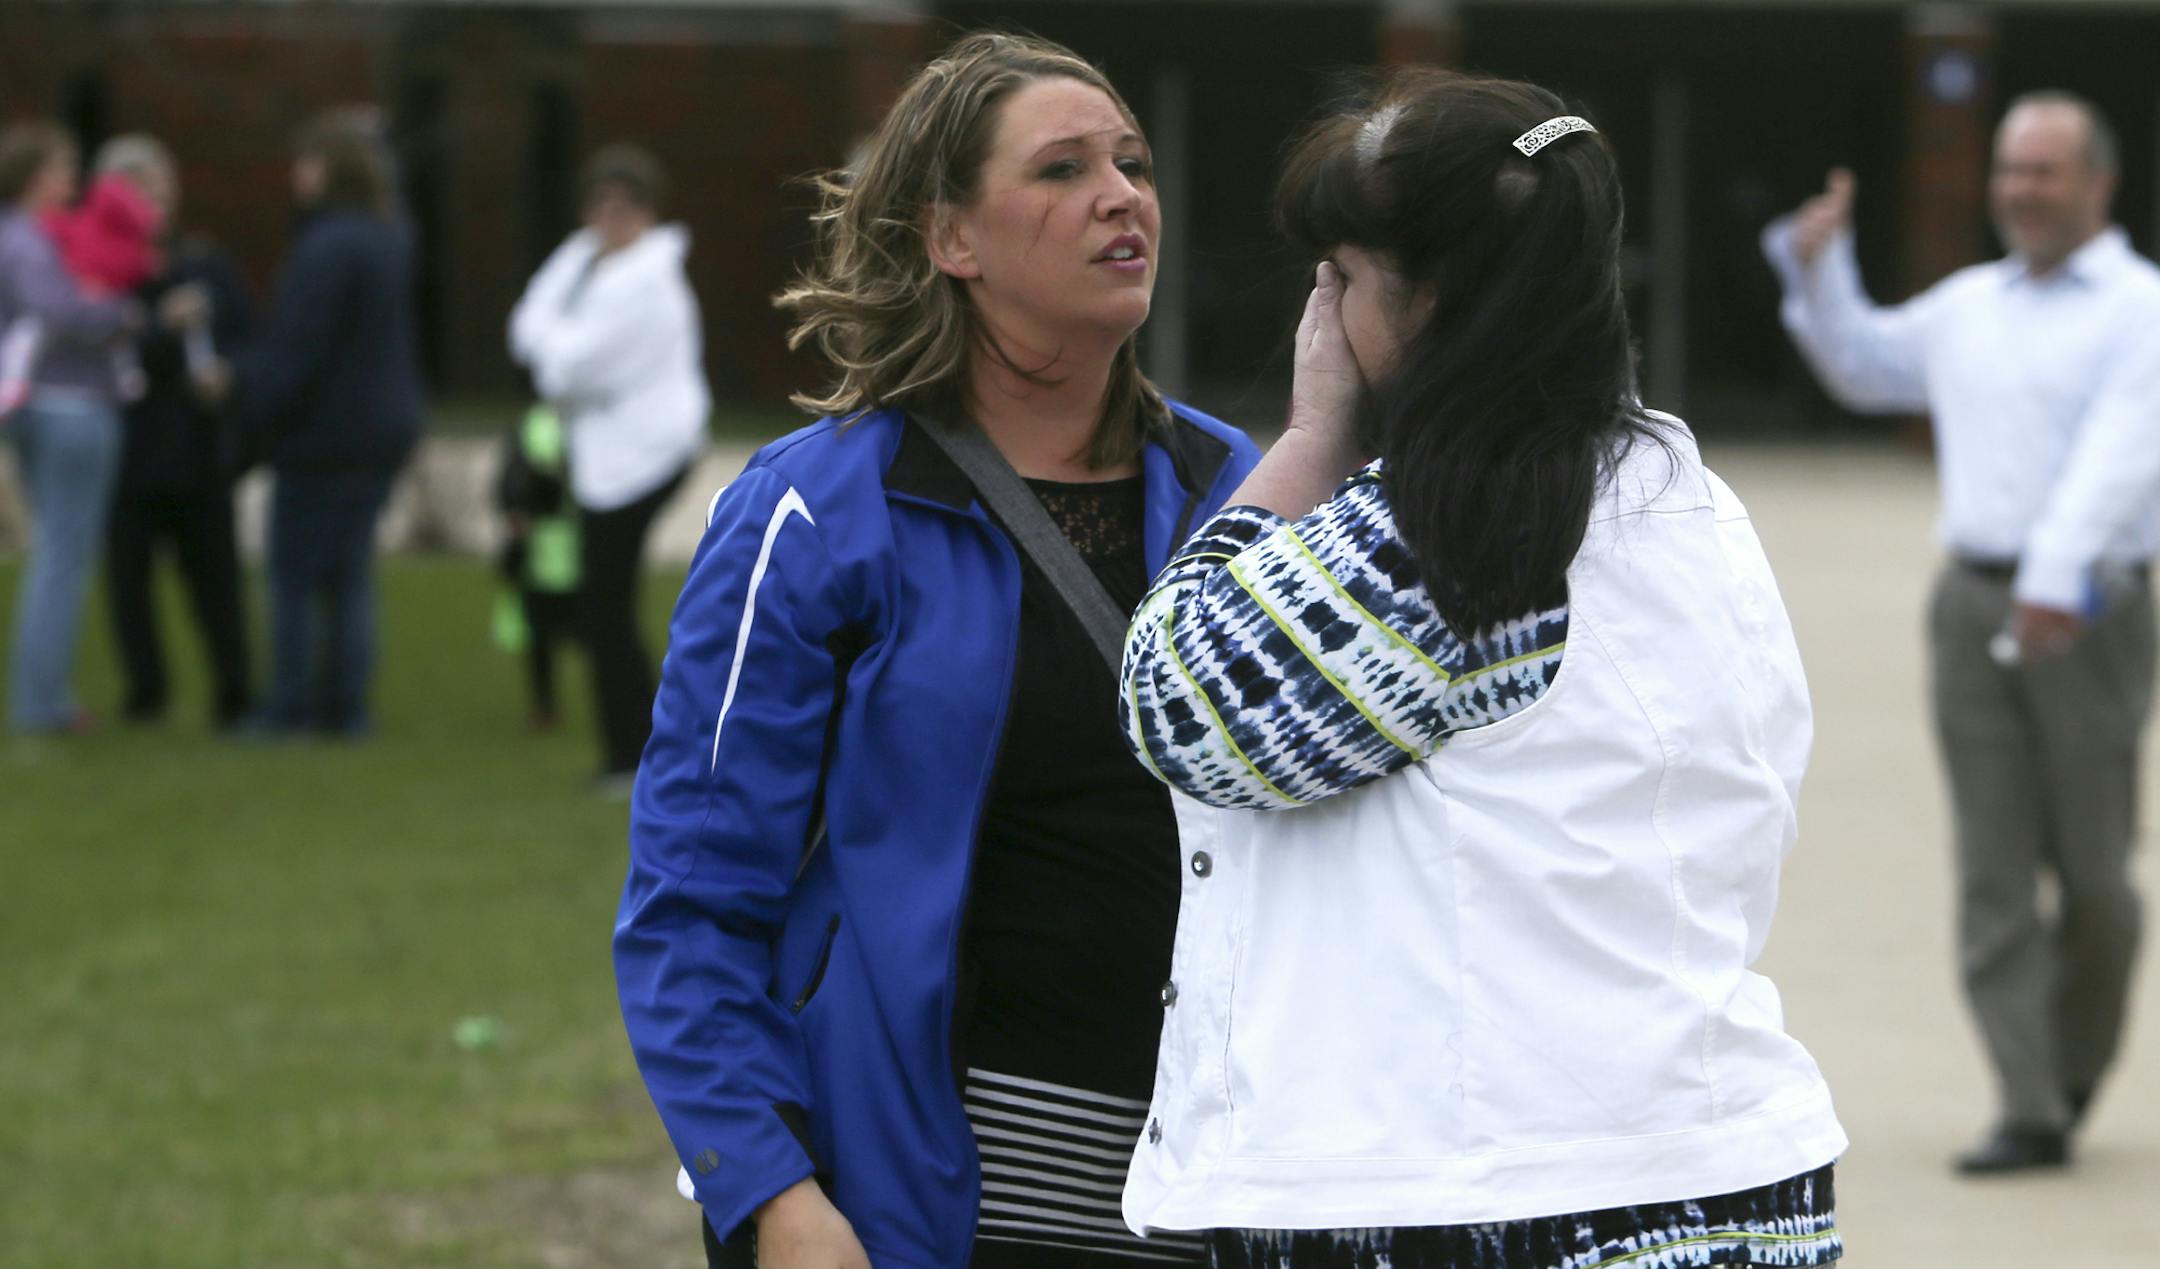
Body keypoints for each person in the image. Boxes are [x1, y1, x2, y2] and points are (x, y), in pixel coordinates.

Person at [1118, 71, 1846, 1268]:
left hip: (1481, 1197)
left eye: (1343, 278)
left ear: (1430, 299)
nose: (1322, 313)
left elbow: (1178, 697)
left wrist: (1309, 438)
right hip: (1723, 1174)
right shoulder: (1687, 500)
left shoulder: (1450, 535)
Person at [612, 32, 1258, 1269]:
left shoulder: (1246, 495)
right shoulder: (817, 513)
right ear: (949, 239)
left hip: (1214, 1198)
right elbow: (693, 903)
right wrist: (775, 1201)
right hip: (934, 1213)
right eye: (1063, 170)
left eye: (1132, 162)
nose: (1122, 195)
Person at [1763, 91, 2160, 1175]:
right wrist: (1818, 267)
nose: (2022, 191)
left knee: (2094, 880)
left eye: (2045, 171)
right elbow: (1865, 366)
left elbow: (2123, 456)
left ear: (2097, 184)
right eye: (2010, 170)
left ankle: (2072, 1065)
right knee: (1993, 871)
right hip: (1970, 603)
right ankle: (2028, 1104)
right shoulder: (1970, 304)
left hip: (2093, 609)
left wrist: (2056, 578)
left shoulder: (2140, 309)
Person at [209, 107, 424, 737]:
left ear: (328, 170)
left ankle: (291, 707)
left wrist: (239, 382)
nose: (296, 174)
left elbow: (298, 354)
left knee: (295, 578)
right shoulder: (389, 237)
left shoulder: (327, 247)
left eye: (307, 162)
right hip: (382, 427)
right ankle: (346, 709)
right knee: (351, 575)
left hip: (326, 435)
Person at [508, 144, 707, 788]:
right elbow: (524, 328)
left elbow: (562, 371)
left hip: (641, 459)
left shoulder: (647, 281)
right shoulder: (585, 261)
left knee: (605, 609)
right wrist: (554, 337)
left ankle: (637, 757)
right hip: (611, 456)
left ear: (649, 212)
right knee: (605, 607)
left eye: (626, 207)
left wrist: (552, 345)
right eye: (600, 204)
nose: (611, 219)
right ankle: (642, 753)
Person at [93, 134, 256, 730]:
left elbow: (248, 338)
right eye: (135, 192)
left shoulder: (206, 265)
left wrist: (228, 375)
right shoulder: (104, 277)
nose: (150, 205)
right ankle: (147, 692)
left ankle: (234, 690)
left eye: (158, 190)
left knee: (215, 579)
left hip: (198, 449)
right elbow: (103, 355)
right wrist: (162, 331)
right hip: (130, 450)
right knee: (130, 583)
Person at [0, 122, 138, 736]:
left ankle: (44, 696)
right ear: (35, 178)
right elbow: (57, 309)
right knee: (63, 557)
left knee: (56, 553)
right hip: (70, 405)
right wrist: (120, 313)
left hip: (41, 407)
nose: (72, 181)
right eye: (62, 168)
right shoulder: (25, 242)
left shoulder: (32, 238)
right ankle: (40, 703)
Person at [490, 400, 579, 731]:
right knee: (541, 637)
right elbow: (509, 481)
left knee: (587, 636)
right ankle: (545, 707)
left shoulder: (571, 420)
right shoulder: (532, 423)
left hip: (574, 550)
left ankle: (550, 708)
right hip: (544, 551)